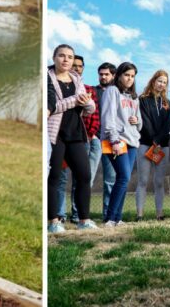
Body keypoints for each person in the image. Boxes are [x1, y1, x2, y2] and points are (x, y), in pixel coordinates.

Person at [47, 44, 98, 232]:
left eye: (69, 56)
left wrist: (88, 103)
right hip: (55, 134)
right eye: (62, 55)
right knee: (54, 177)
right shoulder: (47, 78)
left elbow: (89, 109)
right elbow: (51, 106)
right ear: (54, 58)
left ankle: (84, 220)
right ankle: (53, 222)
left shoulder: (77, 79)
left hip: (76, 133)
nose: (66, 59)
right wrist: (75, 101)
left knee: (84, 175)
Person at [101, 62, 142, 227]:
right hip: (118, 141)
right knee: (123, 177)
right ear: (118, 75)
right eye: (127, 75)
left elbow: (140, 123)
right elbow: (107, 117)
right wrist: (114, 139)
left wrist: (137, 120)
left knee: (124, 179)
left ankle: (117, 218)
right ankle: (110, 218)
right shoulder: (112, 91)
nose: (130, 79)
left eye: (132, 76)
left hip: (132, 141)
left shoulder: (134, 97)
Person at [63, 55, 101, 224]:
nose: (77, 68)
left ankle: (81, 215)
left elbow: (94, 113)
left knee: (85, 177)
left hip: (89, 137)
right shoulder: (63, 87)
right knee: (64, 177)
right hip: (71, 137)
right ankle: (63, 214)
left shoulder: (88, 89)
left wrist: (91, 134)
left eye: (80, 66)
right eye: (74, 65)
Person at [135, 70, 170, 221]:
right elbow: (144, 121)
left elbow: (167, 125)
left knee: (159, 181)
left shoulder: (167, 103)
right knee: (143, 180)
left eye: (164, 82)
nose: (161, 84)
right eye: (159, 81)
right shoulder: (142, 99)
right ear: (153, 81)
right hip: (145, 143)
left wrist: (158, 141)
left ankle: (159, 213)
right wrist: (152, 140)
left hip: (162, 146)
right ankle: (140, 214)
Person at [95, 62, 118, 220]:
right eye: (101, 74)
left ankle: (107, 215)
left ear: (113, 75)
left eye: (106, 74)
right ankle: (78, 215)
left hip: (111, 141)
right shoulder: (92, 91)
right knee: (85, 178)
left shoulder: (118, 93)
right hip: (94, 139)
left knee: (110, 180)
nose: (103, 77)